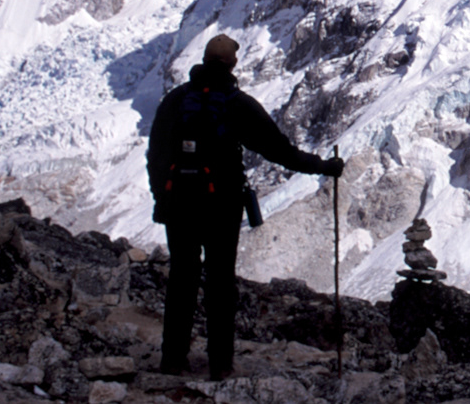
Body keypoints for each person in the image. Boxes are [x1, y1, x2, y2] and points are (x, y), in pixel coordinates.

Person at [146, 34, 344, 380]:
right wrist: (325, 167)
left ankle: (172, 359)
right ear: (233, 65)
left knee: (182, 279)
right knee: (221, 284)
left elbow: (157, 156)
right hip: (221, 207)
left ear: (203, 61)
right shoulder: (237, 104)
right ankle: (220, 365)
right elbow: (280, 151)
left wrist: (162, 199)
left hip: (179, 205)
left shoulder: (175, 101)